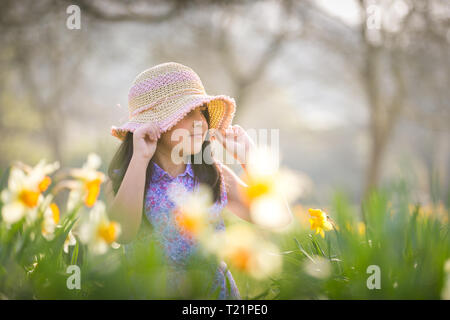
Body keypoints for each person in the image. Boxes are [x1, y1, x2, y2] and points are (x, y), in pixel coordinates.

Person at [105, 62, 256, 299]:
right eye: (187, 113)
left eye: (202, 111)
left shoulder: (215, 175)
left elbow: (276, 218)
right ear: (153, 125)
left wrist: (249, 161)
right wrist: (139, 159)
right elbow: (121, 233)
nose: (201, 122)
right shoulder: (123, 179)